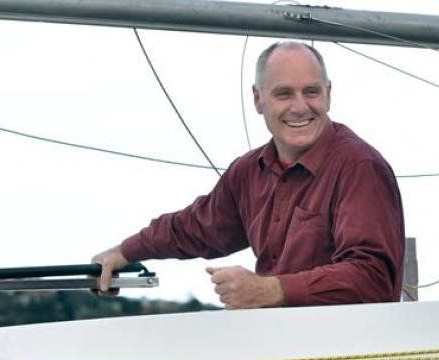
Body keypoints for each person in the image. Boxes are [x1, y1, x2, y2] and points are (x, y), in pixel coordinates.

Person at [93, 41, 404, 309]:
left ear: (329, 94)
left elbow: (373, 278)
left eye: (311, 92)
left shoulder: (360, 167)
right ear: (258, 99)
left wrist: (270, 290)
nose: (300, 107)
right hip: (277, 355)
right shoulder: (248, 172)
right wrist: (125, 251)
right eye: (284, 94)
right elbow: (194, 227)